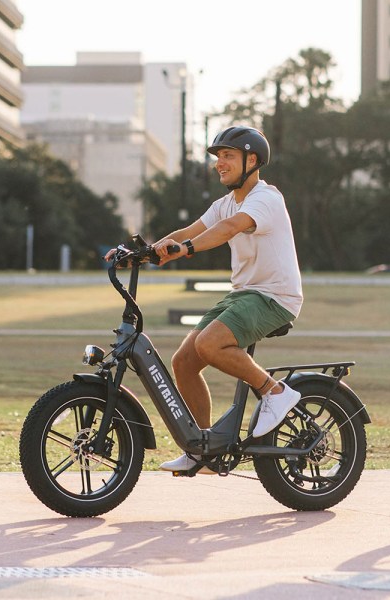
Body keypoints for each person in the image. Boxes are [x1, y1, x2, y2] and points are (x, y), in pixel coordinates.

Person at [146, 125, 304, 473]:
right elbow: (189, 232)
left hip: (274, 297)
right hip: (243, 295)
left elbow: (228, 229)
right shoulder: (225, 203)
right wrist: (144, 252)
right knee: (183, 362)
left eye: (228, 156)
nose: (220, 163)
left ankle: (275, 393)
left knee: (210, 343)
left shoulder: (265, 199)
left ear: (252, 160)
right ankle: (202, 448)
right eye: (218, 157)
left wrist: (184, 250)